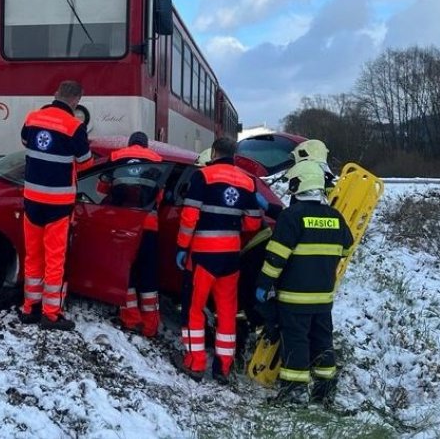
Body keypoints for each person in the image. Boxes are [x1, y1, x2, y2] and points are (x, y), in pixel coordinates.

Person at [254, 159, 354, 405]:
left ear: (298, 186)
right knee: (322, 340)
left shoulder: (291, 217)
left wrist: (263, 284)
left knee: (296, 341)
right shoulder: (335, 216)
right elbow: (346, 248)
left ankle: (294, 392)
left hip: (294, 296)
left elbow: (276, 257)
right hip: (323, 297)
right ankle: (324, 390)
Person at [176, 137, 263, 383]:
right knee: (227, 312)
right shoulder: (247, 182)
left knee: (194, 308)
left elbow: (189, 216)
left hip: (203, 255)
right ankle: (223, 369)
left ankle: (195, 363)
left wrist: (182, 246)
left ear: (214, 152)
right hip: (231, 257)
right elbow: (253, 222)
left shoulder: (203, 177)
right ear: (233, 154)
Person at [18, 80, 93, 331]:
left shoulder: (32, 118)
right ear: (76, 100)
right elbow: (85, 164)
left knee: (33, 255)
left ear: (56, 94)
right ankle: (50, 314)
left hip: (32, 199)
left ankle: (30, 308)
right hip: (58, 204)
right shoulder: (75, 127)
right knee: (54, 258)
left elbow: (27, 144)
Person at [97, 131, 164, 337]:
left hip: (123, 223)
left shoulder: (117, 157)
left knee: (125, 272)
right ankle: (151, 325)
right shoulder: (158, 161)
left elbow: (102, 188)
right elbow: (159, 196)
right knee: (148, 273)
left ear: (130, 143)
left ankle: (131, 319)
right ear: (145, 145)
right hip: (148, 224)